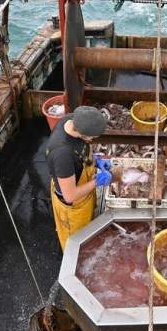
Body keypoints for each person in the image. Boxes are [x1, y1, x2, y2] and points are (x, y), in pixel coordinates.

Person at [46, 105, 112, 250]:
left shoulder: (70, 120)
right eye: (93, 138)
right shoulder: (62, 155)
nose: (94, 140)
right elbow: (70, 195)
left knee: (88, 226)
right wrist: (97, 181)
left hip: (80, 184)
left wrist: (94, 161)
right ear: (84, 134)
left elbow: (82, 146)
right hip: (72, 205)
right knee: (77, 243)